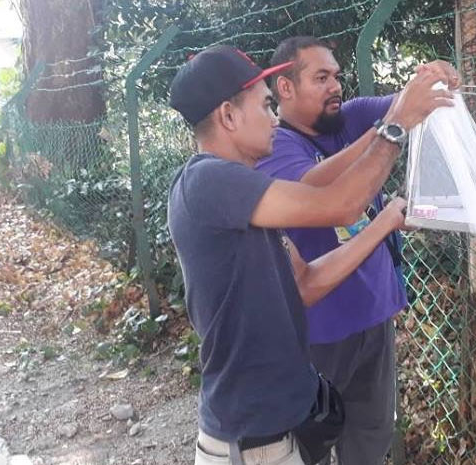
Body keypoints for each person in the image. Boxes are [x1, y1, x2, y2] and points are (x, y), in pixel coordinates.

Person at [166, 44, 455, 465]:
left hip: (278, 432)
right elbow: (341, 204)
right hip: (255, 443)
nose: (274, 118)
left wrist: (384, 222)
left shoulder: (243, 193)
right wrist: (396, 127)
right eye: (265, 106)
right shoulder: (208, 181)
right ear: (228, 116)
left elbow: (305, 282)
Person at [256, 37, 459, 465]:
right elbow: (319, 189)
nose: (335, 86)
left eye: (336, 76)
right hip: (319, 330)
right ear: (285, 88)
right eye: (321, 78)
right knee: (308, 441)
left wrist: (432, 78)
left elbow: (409, 103)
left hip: (374, 313)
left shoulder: (352, 117)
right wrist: (391, 126)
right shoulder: (273, 146)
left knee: (372, 433)